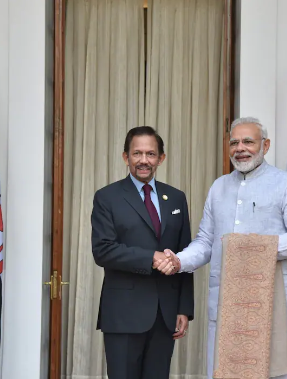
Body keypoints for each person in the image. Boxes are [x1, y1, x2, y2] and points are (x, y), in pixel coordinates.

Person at [155, 117, 287, 379]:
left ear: (265, 145)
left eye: (248, 141)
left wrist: (252, 248)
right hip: (227, 306)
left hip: (276, 306)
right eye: (234, 142)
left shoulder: (286, 184)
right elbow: (206, 242)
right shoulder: (219, 187)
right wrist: (179, 261)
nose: (240, 148)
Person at [91, 126, 194, 379]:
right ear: (126, 157)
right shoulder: (107, 197)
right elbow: (103, 250)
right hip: (124, 313)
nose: (144, 160)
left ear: (161, 158)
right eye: (137, 154)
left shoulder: (177, 198)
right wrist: (151, 257)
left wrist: (184, 308)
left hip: (165, 314)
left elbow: (185, 254)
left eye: (150, 154)